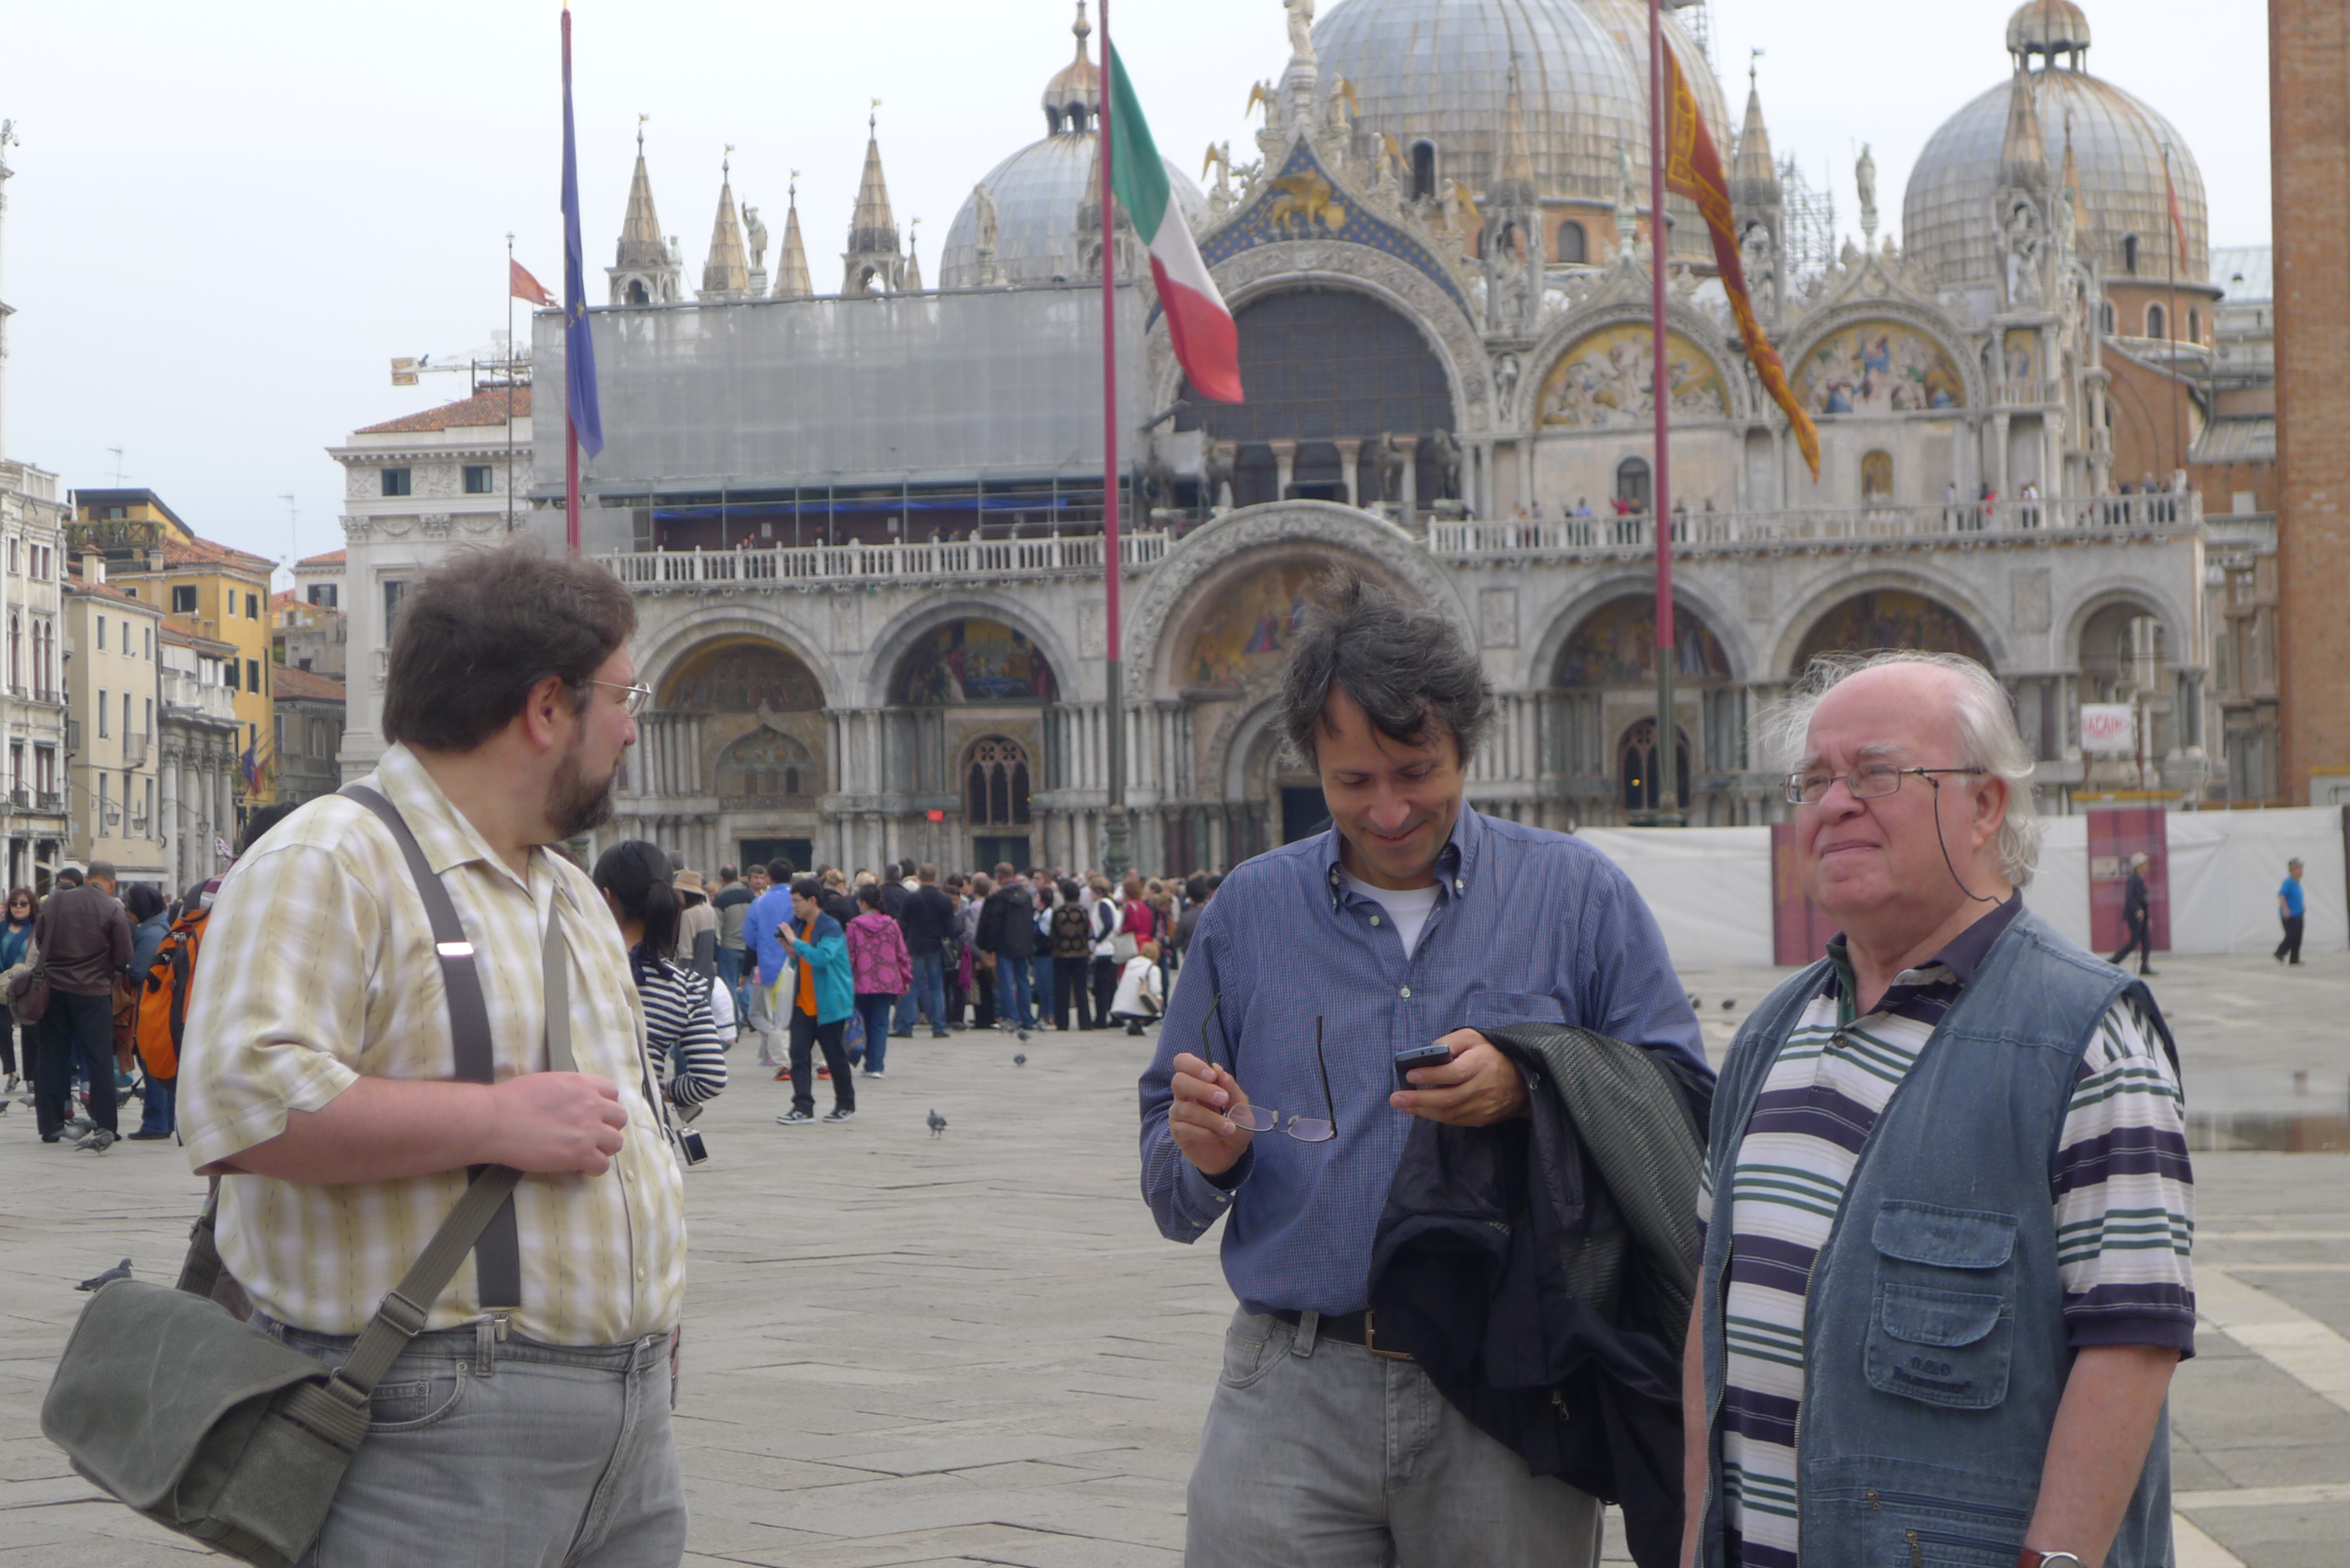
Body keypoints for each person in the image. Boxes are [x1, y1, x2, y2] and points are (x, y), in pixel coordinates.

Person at [1140, 572, 1707, 1567]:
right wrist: (1210, 1155)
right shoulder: (1247, 913)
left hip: (1513, 1392)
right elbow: (1167, 1173)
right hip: (1293, 1385)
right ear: (1311, 763)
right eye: (1353, 782)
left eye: (1416, 771)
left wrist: (1534, 1083)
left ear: (1465, 748)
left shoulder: (1578, 895)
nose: (1390, 809)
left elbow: (1682, 1106)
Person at [178, 538, 690, 1566]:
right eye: (624, 697)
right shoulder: (329, 856)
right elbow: (242, 1106)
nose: (634, 727)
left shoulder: (567, 889)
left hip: (628, 1422)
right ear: (547, 707)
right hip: (431, 1422)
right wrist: (497, 1120)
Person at [1683, 651, 2191, 1568]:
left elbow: (2132, 1346)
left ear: (1985, 803)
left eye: (1876, 774)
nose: (1834, 804)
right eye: (1814, 781)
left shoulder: (2088, 1039)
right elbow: (1709, 1325)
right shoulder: (1768, 1036)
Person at [595, 840, 726, 1118]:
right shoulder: (683, 986)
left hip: (585, 1132)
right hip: (649, 1130)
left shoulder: (579, 974)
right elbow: (710, 1077)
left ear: (605, 898)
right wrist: (656, 1089)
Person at [33, 859, 133, 1150]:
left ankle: (50, 1125)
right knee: (98, 1059)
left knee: (51, 1056)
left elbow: (40, 939)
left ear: (88, 878)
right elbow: (124, 957)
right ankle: (105, 1124)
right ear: (112, 882)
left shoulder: (55, 901)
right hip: (93, 992)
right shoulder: (112, 908)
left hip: (54, 990)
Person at [777, 875, 855, 1124]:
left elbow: (822, 958)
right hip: (804, 1002)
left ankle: (845, 1104)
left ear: (812, 900)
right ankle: (803, 1106)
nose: (794, 906)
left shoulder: (830, 927)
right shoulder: (801, 927)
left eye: (797, 901)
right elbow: (802, 961)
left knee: (835, 1057)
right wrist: (792, 953)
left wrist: (795, 943)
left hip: (829, 1004)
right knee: (798, 1056)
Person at [116, 884, 172, 1139]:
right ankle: (165, 1121)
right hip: (159, 1005)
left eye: (130, 907)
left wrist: (122, 968)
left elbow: (139, 973)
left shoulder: (150, 934)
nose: (127, 912)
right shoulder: (157, 927)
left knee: (151, 1064)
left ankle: (155, 1122)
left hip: (150, 1007)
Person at [845, 881, 911, 1080]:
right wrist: (906, 977)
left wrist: (845, 979)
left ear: (864, 903)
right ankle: (877, 1065)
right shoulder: (892, 925)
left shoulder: (854, 926)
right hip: (887, 981)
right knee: (881, 1023)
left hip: (862, 981)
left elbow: (850, 956)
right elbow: (901, 954)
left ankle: (868, 1060)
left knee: (864, 1022)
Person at [742, 859, 797, 1072]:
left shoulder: (759, 903)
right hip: (799, 963)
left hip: (770, 966)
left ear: (769, 879)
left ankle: (783, 1064)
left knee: (776, 1017)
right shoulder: (799, 898)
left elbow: (749, 937)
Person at [899, 864, 956, 1039]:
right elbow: (951, 928)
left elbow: (902, 923)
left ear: (918, 877)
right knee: (937, 987)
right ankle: (939, 1026)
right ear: (936, 877)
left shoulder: (911, 899)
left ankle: (905, 1026)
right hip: (936, 946)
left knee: (912, 987)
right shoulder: (945, 899)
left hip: (915, 946)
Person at [978, 862, 1036, 1032]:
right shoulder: (1026, 896)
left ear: (999, 876)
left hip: (1004, 944)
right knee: (1023, 980)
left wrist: (989, 947)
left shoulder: (999, 897)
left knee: (1006, 983)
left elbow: (993, 924)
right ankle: (1027, 1018)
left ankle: (1012, 1017)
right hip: (1023, 945)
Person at [1049, 877, 1096, 1030]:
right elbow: (1088, 932)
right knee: (1081, 989)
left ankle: (1062, 1022)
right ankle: (1085, 1022)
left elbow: (1053, 934)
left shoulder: (1058, 913)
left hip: (1061, 955)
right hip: (1080, 954)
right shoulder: (1083, 912)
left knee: (1062, 990)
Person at [0, 886, 33, 1093]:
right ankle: (12, 1072)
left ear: (31, 906)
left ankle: (31, 1076)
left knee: (30, 1031)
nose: (18, 907)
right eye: (14, 903)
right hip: (2, 985)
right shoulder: (2, 928)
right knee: (3, 1030)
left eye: (23, 903)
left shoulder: (36, 929)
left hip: (27, 986)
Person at [712, 864, 753, 1027]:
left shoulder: (721, 898)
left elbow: (717, 926)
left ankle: (734, 1022)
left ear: (722, 880)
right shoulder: (750, 895)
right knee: (746, 983)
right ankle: (752, 1018)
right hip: (748, 946)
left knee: (730, 985)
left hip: (728, 947)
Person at [2109, 849, 2156, 975]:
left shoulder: (2140, 879)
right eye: (2144, 863)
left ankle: (2144, 967)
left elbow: (2143, 899)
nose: (2146, 866)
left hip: (2143, 916)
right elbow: (2130, 898)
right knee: (2133, 943)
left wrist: (2147, 916)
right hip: (2135, 916)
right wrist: (2137, 910)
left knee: (2146, 941)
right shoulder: (2133, 879)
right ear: (2139, 866)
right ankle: (2113, 962)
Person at [1109, 938, 1164, 1035]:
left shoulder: (1130, 965)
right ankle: (1140, 1023)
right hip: (1139, 1007)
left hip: (1119, 1007)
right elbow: (1156, 990)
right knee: (1159, 1005)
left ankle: (1133, 1024)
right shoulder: (1153, 969)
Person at [671, 867, 718, 980]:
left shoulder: (687, 914)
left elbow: (685, 953)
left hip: (692, 978)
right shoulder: (710, 910)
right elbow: (716, 941)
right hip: (708, 974)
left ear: (684, 892)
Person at [1031, 880, 1059, 1030]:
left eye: (1037, 897)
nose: (1035, 900)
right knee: (1040, 988)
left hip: (1047, 956)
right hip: (1037, 956)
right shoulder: (1036, 915)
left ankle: (1051, 1015)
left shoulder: (1049, 916)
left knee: (1049, 988)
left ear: (1043, 900)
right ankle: (1042, 1014)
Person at [2277, 856, 2306, 964]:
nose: (2301, 871)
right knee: (2292, 935)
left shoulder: (2296, 882)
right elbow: (2282, 896)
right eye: (2299, 868)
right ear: (2293, 870)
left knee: (2298, 937)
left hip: (2298, 913)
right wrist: (2286, 909)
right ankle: (2280, 952)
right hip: (2290, 914)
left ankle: (2294, 958)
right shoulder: (2288, 882)